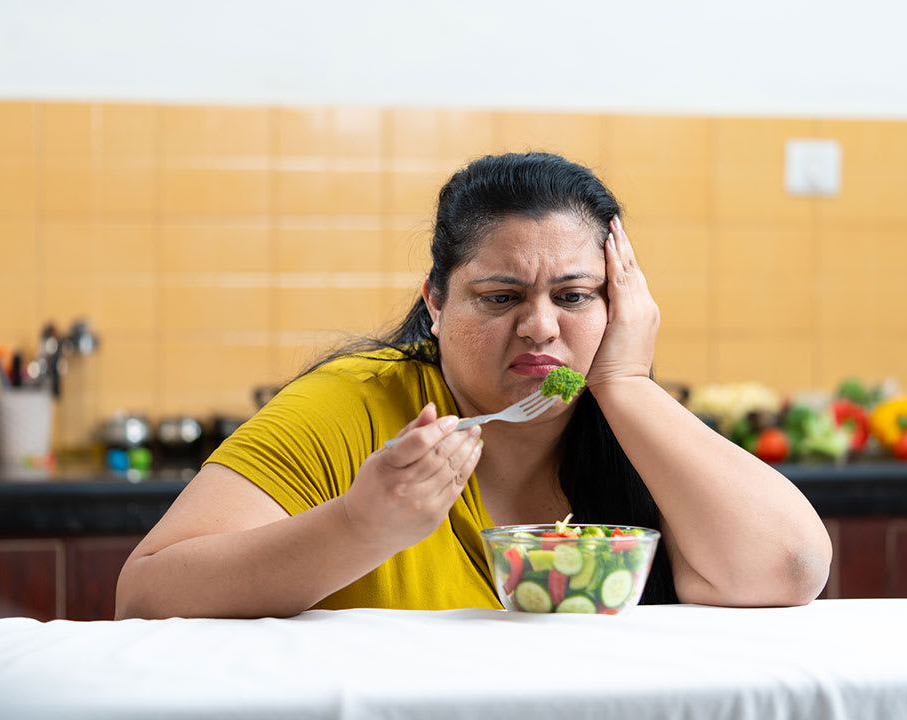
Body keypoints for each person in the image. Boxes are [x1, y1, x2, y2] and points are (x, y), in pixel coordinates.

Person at [115, 152, 832, 619]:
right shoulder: (353, 404)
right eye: (499, 297)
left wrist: (625, 385)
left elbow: (790, 567)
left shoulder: (632, 420)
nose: (540, 328)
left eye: (576, 296)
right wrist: (362, 526)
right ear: (435, 301)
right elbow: (145, 597)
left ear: (621, 304)